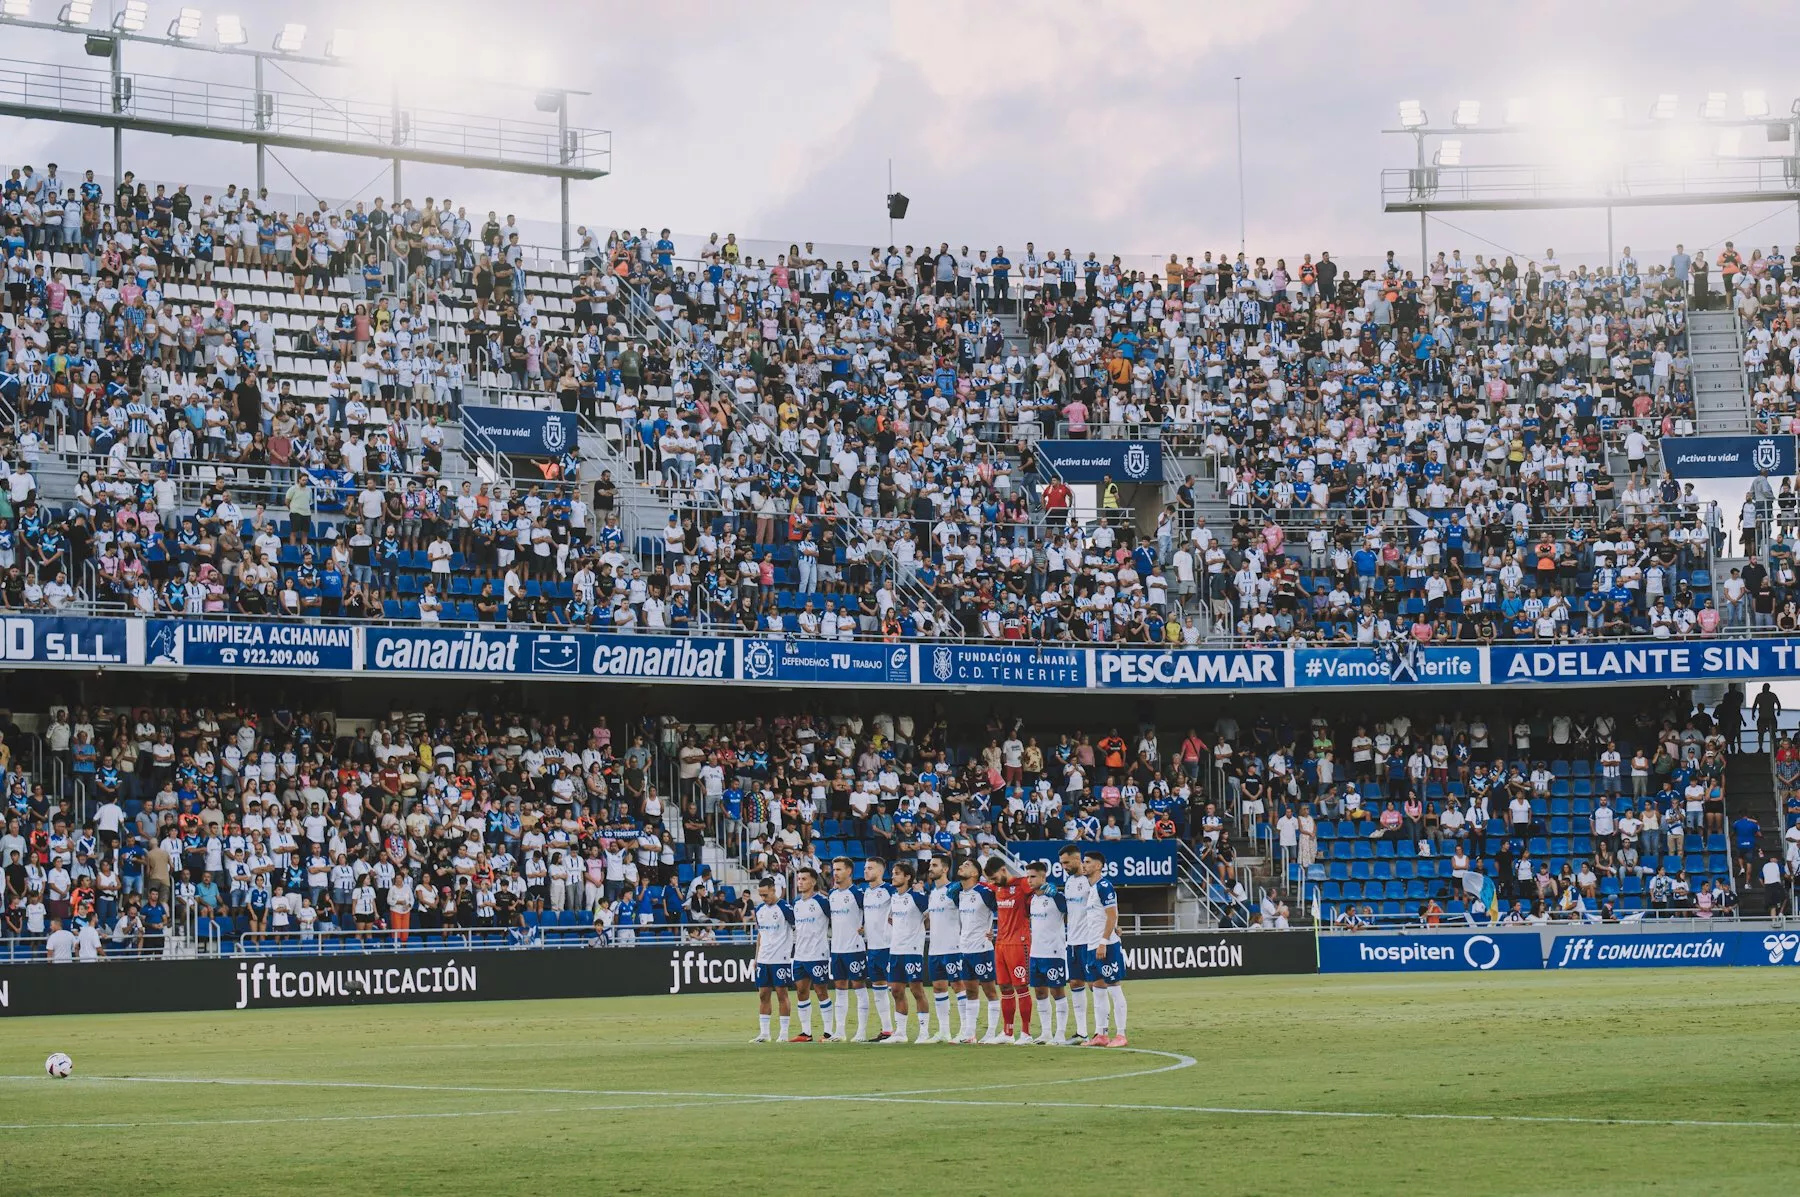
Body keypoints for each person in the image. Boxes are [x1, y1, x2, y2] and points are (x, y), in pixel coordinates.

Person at [983, 856, 1036, 1043]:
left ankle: (1027, 1033)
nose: (994, 882)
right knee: (1005, 988)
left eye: (995, 878)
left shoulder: (1023, 884)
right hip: (1001, 943)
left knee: (1021, 987)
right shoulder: (996, 887)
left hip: (1019, 943)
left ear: (1004, 870)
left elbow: (1039, 889)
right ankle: (1007, 1033)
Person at [1081, 849, 1130, 1047]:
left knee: (1114, 988)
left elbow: (1111, 915)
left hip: (1106, 945)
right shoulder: (1092, 888)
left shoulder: (1104, 886)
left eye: (1088, 862)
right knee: (1098, 989)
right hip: (1092, 945)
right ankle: (1101, 1034)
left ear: (1098, 865)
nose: (1084, 865)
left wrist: (1103, 940)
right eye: (1084, 861)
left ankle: (1121, 1034)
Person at [952, 858, 1001, 1043]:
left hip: (982, 949)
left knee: (989, 990)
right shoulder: (960, 893)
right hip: (964, 949)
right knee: (970, 991)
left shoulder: (985, 891)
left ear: (975, 873)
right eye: (961, 864)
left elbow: (1004, 908)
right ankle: (969, 1033)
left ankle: (991, 1033)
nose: (961, 866)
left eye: (966, 865)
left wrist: (997, 932)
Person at [882, 860, 930, 1045]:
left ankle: (924, 1032)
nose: (893, 876)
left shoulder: (916, 897)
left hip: (912, 951)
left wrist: (919, 931)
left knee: (917, 990)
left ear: (908, 877)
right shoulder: (894, 898)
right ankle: (900, 1032)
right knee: (896, 990)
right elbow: (891, 920)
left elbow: (930, 915)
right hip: (895, 951)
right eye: (893, 873)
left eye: (897, 873)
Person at [1024, 861, 1072, 1045]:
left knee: (1057, 991)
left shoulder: (1056, 896)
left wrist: (1058, 895)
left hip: (1054, 952)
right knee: (1040, 992)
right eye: (1028, 876)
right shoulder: (1032, 900)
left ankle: (1059, 1033)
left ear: (1044, 877)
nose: (1029, 880)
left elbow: (1069, 912)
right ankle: (1046, 1032)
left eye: (1033, 876)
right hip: (1036, 953)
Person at [786, 866, 834, 1042]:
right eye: (799, 879)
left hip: (818, 954)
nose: (800, 882)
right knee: (801, 991)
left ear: (813, 882)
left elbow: (836, 921)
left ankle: (828, 1032)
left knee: (821, 991)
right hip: (799, 955)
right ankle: (806, 1033)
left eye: (804, 879)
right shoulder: (796, 904)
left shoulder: (822, 902)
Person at [826, 857, 869, 1042]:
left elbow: (872, 914)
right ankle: (840, 1031)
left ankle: (861, 1031)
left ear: (849, 871)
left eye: (839, 869)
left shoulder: (858, 893)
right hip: (836, 949)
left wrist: (865, 926)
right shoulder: (832, 894)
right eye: (834, 870)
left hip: (855, 948)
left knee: (859, 987)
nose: (835, 873)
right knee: (839, 989)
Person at [923, 854, 963, 1043]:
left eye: (934, 865)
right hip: (935, 948)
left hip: (952, 947)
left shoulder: (954, 890)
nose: (930, 868)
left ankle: (965, 1029)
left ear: (945, 869)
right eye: (931, 865)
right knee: (939, 988)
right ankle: (944, 1031)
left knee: (957, 986)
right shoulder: (933, 892)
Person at [749, 876, 794, 1044]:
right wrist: (756, 958)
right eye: (761, 895)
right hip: (763, 959)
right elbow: (761, 935)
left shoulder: (785, 908)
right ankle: (764, 1034)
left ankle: (783, 1033)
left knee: (782, 994)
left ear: (774, 890)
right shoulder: (760, 909)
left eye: (765, 894)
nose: (763, 898)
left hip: (780, 958)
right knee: (763, 995)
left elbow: (799, 927)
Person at [1058, 844, 1094, 1043]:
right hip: (1072, 941)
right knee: (1075, 983)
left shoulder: (1091, 881)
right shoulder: (1069, 882)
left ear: (1076, 859)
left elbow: (1106, 906)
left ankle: (1100, 1031)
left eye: (1066, 862)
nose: (1063, 866)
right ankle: (1082, 1032)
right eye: (1061, 863)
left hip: (1089, 941)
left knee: (1095, 984)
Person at [860, 857, 896, 1040]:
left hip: (889, 946)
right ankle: (887, 1029)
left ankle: (901, 1029)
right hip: (872, 947)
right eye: (865, 868)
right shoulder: (865, 892)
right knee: (878, 989)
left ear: (880, 872)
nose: (866, 871)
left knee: (896, 989)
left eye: (870, 868)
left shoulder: (890, 890)